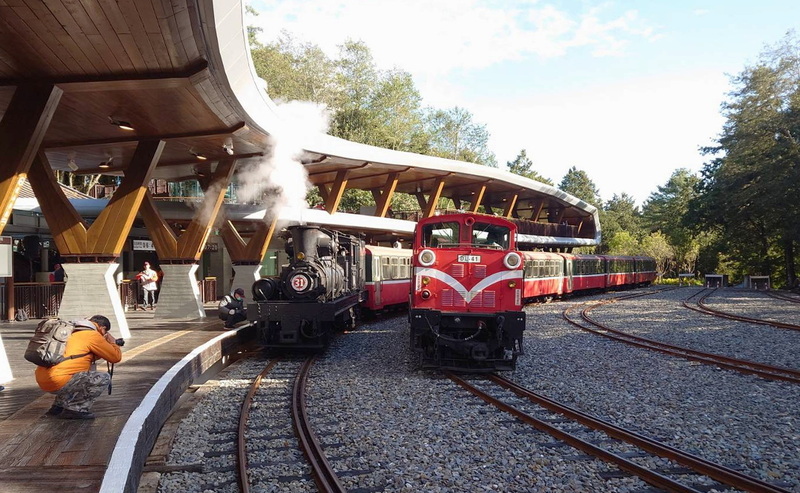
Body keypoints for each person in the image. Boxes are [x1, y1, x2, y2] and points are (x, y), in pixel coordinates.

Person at [35, 315, 123, 419]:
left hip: (43, 379)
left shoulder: (70, 331)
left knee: (72, 374)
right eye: (105, 332)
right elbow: (115, 357)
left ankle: (58, 407)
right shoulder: (92, 335)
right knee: (103, 378)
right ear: (102, 328)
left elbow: (82, 356)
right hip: (58, 380)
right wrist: (113, 343)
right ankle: (75, 409)